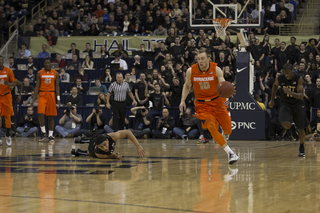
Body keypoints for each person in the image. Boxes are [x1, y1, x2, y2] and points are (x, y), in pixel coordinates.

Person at [179, 47, 239, 164]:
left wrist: (227, 89)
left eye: (202, 59)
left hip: (218, 102)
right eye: (198, 59)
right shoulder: (191, 70)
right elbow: (186, 86)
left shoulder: (216, 69)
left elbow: (222, 81)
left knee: (228, 130)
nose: (200, 61)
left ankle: (224, 134)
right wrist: (182, 100)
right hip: (202, 105)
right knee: (211, 127)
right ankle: (230, 153)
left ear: (208, 59)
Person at [268, 63, 306, 157]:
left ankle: (302, 146)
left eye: (288, 73)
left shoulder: (298, 78)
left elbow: (301, 96)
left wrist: (290, 92)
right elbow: (275, 86)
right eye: (285, 73)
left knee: (301, 128)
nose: (286, 75)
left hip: (297, 104)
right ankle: (291, 127)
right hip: (285, 103)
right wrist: (272, 100)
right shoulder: (280, 78)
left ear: (292, 71)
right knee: (285, 123)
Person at [31, 58, 61, 142]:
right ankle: (43, 132)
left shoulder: (55, 73)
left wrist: (58, 98)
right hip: (42, 94)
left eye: (49, 63)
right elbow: (37, 86)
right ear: (44, 63)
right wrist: (33, 99)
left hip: (51, 94)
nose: (47, 64)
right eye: (46, 63)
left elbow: (57, 86)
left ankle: (50, 135)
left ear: (50, 64)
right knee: (40, 113)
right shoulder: (39, 73)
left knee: (51, 115)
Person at [71, 130, 146, 159]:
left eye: (105, 144)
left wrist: (138, 146)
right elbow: (109, 155)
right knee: (90, 153)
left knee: (96, 136)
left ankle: (83, 140)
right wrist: (116, 156)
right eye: (101, 147)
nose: (105, 148)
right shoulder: (99, 153)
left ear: (107, 140)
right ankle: (79, 152)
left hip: (97, 138)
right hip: (93, 150)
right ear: (98, 147)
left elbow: (128, 132)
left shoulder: (112, 137)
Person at [0, 57, 18, 146]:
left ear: (3, 61)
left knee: (7, 116)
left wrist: (8, 84)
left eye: (1, 59)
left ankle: (8, 135)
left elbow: (14, 83)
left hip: (7, 96)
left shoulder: (8, 71)